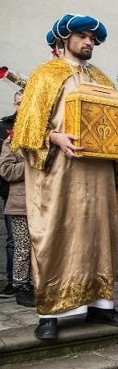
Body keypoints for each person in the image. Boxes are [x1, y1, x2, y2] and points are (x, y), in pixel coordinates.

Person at [11, 14, 118, 340]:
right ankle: (49, 313)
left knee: (99, 234)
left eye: (93, 39)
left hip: (98, 176)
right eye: (82, 36)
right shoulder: (44, 76)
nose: (89, 42)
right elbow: (24, 130)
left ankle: (102, 305)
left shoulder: (104, 79)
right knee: (57, 235)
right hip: (59, 173)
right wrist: (55, 138)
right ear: (64, 39)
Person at [0, 96, 35, 307]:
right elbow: (6, 170)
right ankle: (21, 286)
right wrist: (31, 165)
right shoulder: (11, 139)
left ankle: (34, 284)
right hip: (19, 204)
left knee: (38, 247)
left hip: (42, 203)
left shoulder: (42, 137)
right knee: (22, 246)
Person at [0, 90, 20, 299]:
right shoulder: (5, 127)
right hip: (11, 193)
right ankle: (14, 282)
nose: (21, 107)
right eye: (18, 103)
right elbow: (5, 166)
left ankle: (27, 282)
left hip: (37, 197)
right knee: (14, 241)